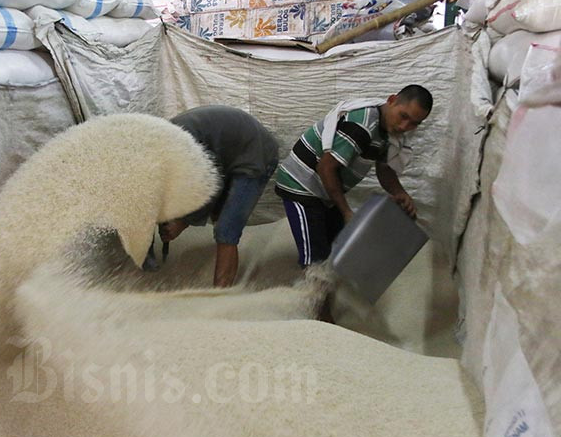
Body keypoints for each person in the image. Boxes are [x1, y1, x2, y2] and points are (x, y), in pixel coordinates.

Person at [275, 85, 433, 270]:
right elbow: (326, 168)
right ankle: (313, 294)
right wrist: (346, 212)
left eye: (414, 123)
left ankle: (331, 293)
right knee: (315, 261)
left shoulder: (388, 132)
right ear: (391, 100)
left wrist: (400, 192)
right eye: (403, 116)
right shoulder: (361, 126)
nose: (405, 126)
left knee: (339, 249)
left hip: (324, 190)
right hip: (301, 184)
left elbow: (384, 169)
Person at [156, 105, 279, 287]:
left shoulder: (181, 146)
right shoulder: (162, 148)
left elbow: (212, 184)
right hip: (229, 154)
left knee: (226, 230)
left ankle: (220, 295)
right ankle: (223, 282)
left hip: (255, 154)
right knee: (219, 218)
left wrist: (182, 222)